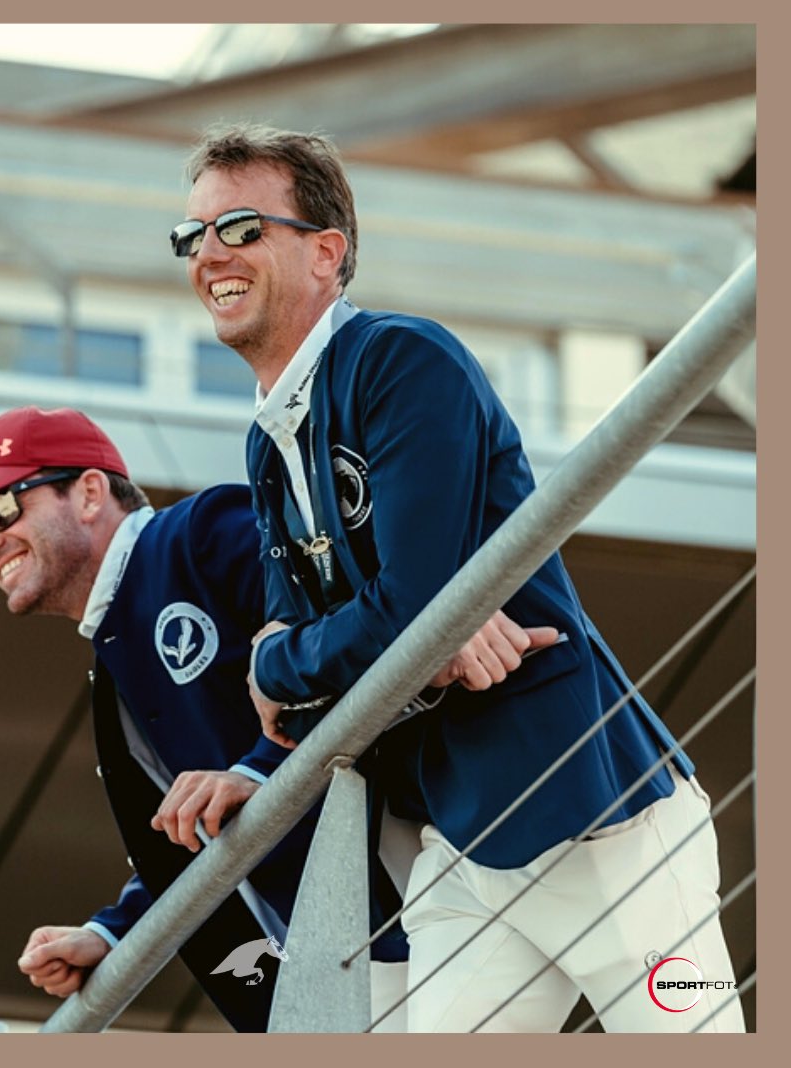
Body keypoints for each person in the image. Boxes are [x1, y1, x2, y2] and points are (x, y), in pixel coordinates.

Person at [168, 122, 745, 1033]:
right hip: (461, 849)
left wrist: (297, 657)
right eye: (191, 235)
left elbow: (398, 615)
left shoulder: (402, 359)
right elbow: (316, 692)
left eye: (240, 227)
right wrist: (366, 649)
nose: (209, 254)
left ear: (326, 253)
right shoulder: (266, 446)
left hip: (607, 824)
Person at [0, 405, 527, 1030]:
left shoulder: (198, 533)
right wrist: (113, 930)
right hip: (352, 954)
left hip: (444, 876)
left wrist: (257, 770)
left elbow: (349, 631)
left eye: (0, 510)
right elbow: (199, 824)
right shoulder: (114, 663)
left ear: (91, 493)